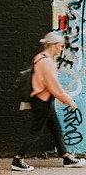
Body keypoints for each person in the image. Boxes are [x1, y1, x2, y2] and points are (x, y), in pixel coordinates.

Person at [11, 32, 86, 171]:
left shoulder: (40, 57)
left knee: (56, 129)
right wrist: (69, 101)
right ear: (53, 45)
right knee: (35, 131)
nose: (62, 49)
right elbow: (54, 86)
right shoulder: (46, 62)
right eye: (61, 46)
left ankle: (66, 157)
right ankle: (17, 159)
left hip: (44, 99)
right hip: (41, 100)